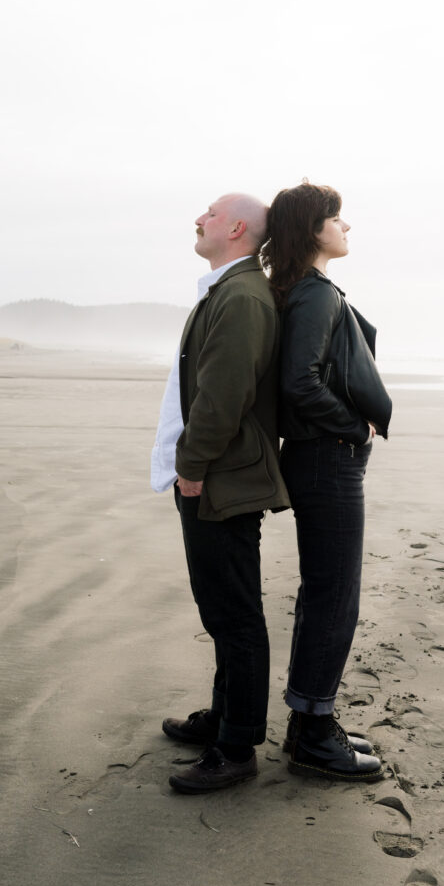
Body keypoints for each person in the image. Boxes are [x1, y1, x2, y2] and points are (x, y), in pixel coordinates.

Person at [151, 193, 289, 794]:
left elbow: (223, 394)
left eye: (208, 212)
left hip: (219, 478)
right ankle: (224, 717)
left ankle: (237, 746)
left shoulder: (241, 295)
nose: (198, 219)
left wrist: (192, 466)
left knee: (234, 611)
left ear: (236, 228)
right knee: (221, 605)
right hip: (214, 474)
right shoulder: (229, 288)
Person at [261, 181, 392, 783]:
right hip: (326, 458)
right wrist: (355, 430)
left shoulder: (305, 289)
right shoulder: (313, 294)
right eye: (337, 219)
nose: (347, 228)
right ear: (314, 229)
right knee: (335, 596)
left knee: (325, 593)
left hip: (319, 456)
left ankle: (309, 721)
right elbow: (300, 382)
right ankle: (313, 733)